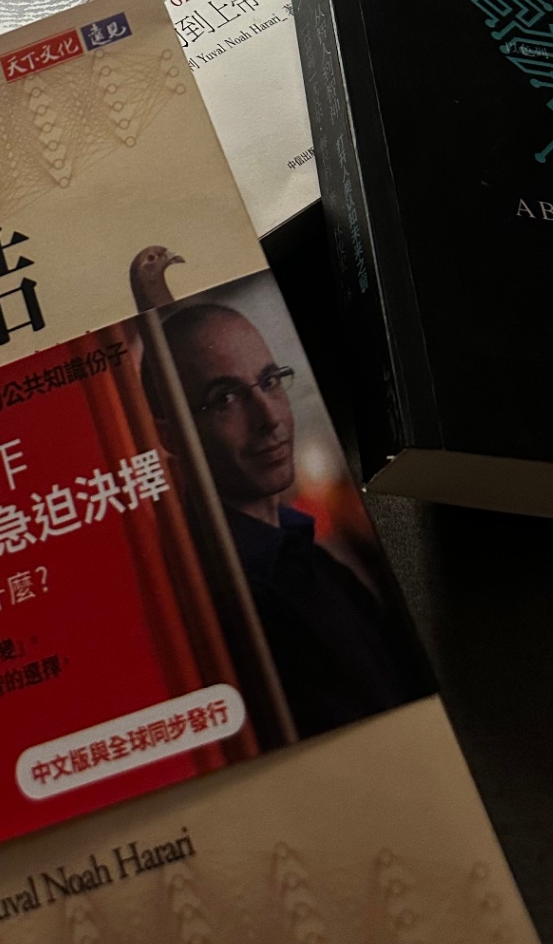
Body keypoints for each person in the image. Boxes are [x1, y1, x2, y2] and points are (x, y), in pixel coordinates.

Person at [160, 301, 435, 738]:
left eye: (270, 381)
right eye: (225, 398)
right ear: (169, 436)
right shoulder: (226, 593)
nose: (270, 418)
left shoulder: (302, 555)